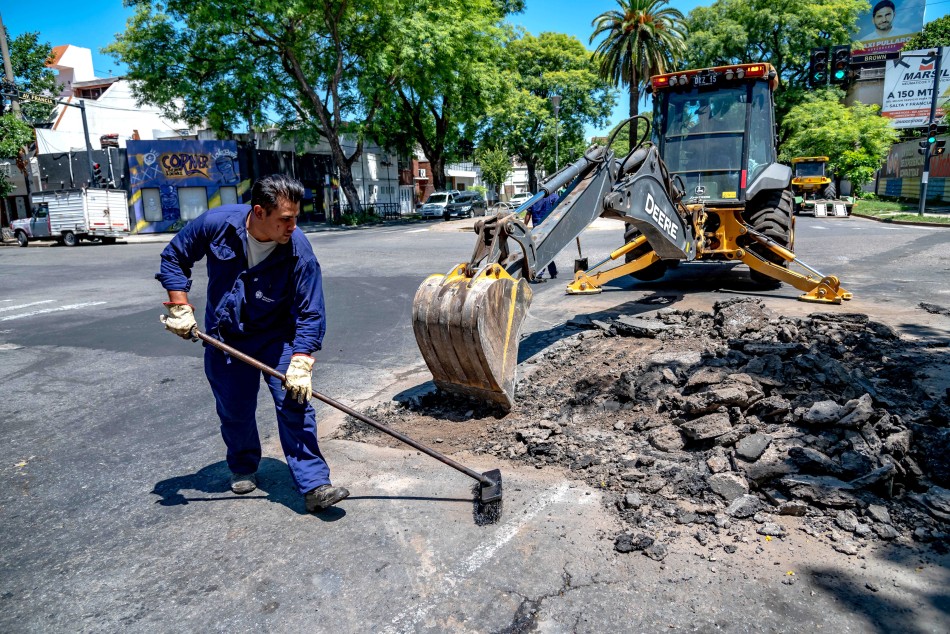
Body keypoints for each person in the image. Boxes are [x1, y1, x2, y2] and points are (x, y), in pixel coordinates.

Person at [156, 173, 349, 513]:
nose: (292, 226)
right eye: (285, 219)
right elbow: (174, 256)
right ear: (260, 212)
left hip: (277, 337)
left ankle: (314, 483)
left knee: (295, 402)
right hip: (225, 336)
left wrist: (301, 361)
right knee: (234, 408)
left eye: (295, 218)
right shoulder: (217, 224)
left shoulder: (298, 249)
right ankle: (243, 464)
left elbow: (311, 310)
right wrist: (179, 305)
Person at [527, 190, 560, 281]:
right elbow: (560, 209)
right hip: (549, 228)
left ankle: (552, 271)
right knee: (545, 250)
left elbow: (528, 214)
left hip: (536, 229)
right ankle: (541, 272)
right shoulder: (553, 197)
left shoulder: (535, 199)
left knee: (544, 249)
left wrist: (524, 227)